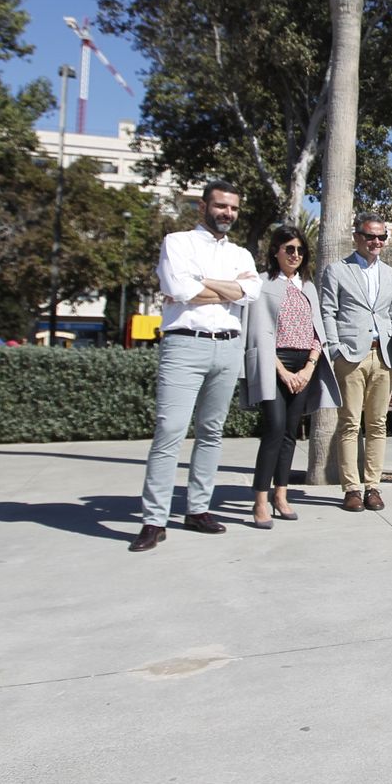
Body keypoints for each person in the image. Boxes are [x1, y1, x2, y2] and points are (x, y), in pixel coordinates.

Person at [130, 181, 260, 552]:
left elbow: (250, 293)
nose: (227, 214)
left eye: (233, 208)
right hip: (185, 344)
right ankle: (154, 519)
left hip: (228, 347)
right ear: (203, 207)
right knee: (169, 430)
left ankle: (198, 509)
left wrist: (200, 283)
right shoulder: (177, 242)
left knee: (211, 432)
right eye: (220, 206)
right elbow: (178, 288)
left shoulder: (241, 254)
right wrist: (224, 288)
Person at [242, 225, 342, 528]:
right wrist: (283, 372)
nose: (295, 255)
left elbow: (317, 332)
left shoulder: (308, 286)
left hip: (304, 365)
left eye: (299, 250)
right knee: (273, 431)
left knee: (289, 435)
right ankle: (260, 501)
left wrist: (310, 367)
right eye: (289, 249)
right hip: (274, 365)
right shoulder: (262, 284)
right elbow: (259, 333)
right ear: (276, 251)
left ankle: (281, 495)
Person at [319, 212, 392, 513]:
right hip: (350, 355)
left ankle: (373, 486)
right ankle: (351, 489)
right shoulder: (337, 271)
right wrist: (335, 349)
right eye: (370, 236)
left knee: (378, 424)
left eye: (381, 237)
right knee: (349, 424)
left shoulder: (391, 275)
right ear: (357, 237)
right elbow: (327, 312)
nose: (376, 242)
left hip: (383, 356)